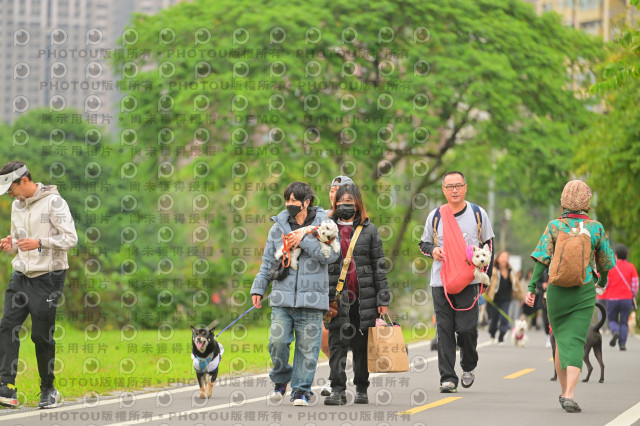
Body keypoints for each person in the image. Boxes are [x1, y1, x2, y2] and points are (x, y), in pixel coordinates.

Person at [526, 180, 615, 413]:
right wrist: (601, 282)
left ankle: (563, 391)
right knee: (576, 340)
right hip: (583, 290)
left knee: (561, 340)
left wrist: (532, 286)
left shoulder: (554, 226)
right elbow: (605, 263)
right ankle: (570, 394)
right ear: (587, 201)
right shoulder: (596, 228)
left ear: (563, 199)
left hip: (555, 291)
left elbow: (542, 259)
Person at [250, 182, 340, 407]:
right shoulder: (278, 228)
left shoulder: (325, 225)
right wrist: (258, 288)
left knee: (308, 350)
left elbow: (330, 256)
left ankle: (301, 391)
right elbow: (267, 262)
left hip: (312, 301)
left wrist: (304, 240)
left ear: (306, 202)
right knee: (277, 342)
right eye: (287, 200)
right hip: (282, 298)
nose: (289, 204)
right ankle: (281, 379)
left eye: (294, 200)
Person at [0, 161, 78, 408]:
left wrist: (40, 242)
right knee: (7, 326)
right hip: (21, 275)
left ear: (24, 180)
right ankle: (6, 387)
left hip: (48, 277)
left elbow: (71, 238)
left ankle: (48, 389)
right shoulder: (17, 205)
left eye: (10, 188)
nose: (9, 194)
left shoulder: (54, 202)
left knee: (40, 336)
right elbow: (20, 240)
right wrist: (11, 243)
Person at [419, 171, 495, 393]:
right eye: (450, 186)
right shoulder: (435, 216)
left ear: (465, 187)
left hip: (469, 282)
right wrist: (433, 250)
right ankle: (448, 378)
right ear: (443, 190)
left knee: (467, 329)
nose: (454, 190)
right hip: (441, 282)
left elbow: (489, 245)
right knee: (444, 330)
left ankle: (468, 365)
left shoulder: (478, 213)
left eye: (458, 186)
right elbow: (423, 244)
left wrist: (485, 278)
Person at [323, 183, 390, 405]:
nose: (345, 205)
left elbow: (379, 266)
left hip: (364, 298)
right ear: (335, 204)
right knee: (337, 344)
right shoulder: (326, 228)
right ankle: (337, 390)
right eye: (341, 202)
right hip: (336, 298)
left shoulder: (369, 230)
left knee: (362, 346)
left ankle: (362, 387)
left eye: (349, 202)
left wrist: (383, 298)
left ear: (357, 203)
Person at [320, 175, 354, 397]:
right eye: (332, 190)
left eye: (339, 190)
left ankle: (347, 380)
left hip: (354, 287)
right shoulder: (320, 218)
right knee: (327, 335)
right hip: (329, 286)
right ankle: (335, 376)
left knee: (350, 338)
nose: (334, 194)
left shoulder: (358, 219)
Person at [603, 244, 638, 351]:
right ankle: (622, 344)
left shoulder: (610, 267)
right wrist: (633, 295)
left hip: (612, 299)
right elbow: (635, 284)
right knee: (624, 321)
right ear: (626, 255)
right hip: (626, 299)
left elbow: (606, 283)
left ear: (616, 254)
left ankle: (615, 331)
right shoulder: (631, 267)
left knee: (612, 319)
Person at [485, 251, 524, 345]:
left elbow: (517, 286)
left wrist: (521, 298)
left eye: (506, 257)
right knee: (494, 319)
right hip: (494, 299)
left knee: (504, 317)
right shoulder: (493, 270)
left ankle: (501, 337)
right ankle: (492, 333)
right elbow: (488, 282)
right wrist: (484, 293)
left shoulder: (511, 271)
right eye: (502, 257)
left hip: (506, 299)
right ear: (498, 258)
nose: (504, 259)